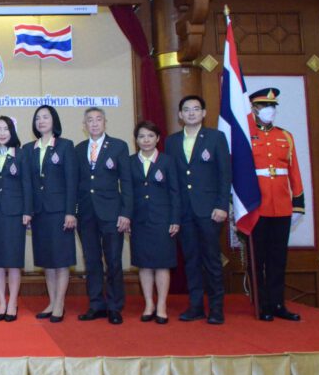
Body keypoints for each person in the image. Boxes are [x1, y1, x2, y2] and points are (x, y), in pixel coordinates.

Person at [166, 95, 231, 325]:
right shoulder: (172, 142)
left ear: (204, 113)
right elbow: (172, 181)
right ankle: (195, 306)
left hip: (209, 211)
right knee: (191, 260)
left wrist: (222, 205)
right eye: (186, 109)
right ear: (180, 115)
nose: (191, 113)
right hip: (184, 212)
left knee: (211, 260)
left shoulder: (215, 138)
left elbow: (225, 175)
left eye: (196, 109)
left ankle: (216, 308)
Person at [249, 88, 305, 322]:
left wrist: (298, 206)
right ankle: (262, 305)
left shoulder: (285, 136)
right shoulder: (246, 136)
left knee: (278, 259)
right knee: (258, 259)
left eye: (272, 107)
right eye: (263, 107)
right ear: (254, 109)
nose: (269, 110)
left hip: (281, 207)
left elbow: (294, 173)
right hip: (256, 208)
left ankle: (278, 303)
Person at [75, 107, 132, 325]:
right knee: (91, 261)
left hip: (112, 213)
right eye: (90, 120)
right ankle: (96, 304)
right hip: (86, 213)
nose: (95, 123)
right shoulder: (79, 149)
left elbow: (126, 182)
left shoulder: (118, 146)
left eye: (99, 119)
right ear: (84, 125)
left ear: (105, 122)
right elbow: (75, 183)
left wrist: (126, 213)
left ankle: (115, 306)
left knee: (114, 261)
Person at [21, 105, 77, 323]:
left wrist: (70, 212)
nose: (41, 121)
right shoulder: (28, 149)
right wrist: (28, 211)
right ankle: (52, 301)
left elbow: (71, 182)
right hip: (40, 213)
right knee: (47, 260)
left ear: (54, 121)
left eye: (45, 117)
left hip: (60, 212)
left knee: (61, 259)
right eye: (38, 118)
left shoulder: (65, 146)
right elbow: (27, 183)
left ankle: (60, 303)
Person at [128, 121, 180, 324]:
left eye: (150, 136)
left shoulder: (167, 161)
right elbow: (128, 192)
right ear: (136, 140)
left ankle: (162, 305)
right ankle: (149, 303)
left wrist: (175, 218)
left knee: (162, 264)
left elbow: (175, 193)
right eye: (141, 136)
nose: (146, 140)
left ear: (158, 138)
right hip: (139, 220)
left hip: (163, 220)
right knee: (144, 264)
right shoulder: (130, 162)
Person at [0, 116, 31, 322]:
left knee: (13, 261)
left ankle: (13, 302)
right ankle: (1, 302)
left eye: (5, 129)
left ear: (12, 132)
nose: (2, 133)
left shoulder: (21, 155)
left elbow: (27, 186)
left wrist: (27, 211)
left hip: (15, 214)